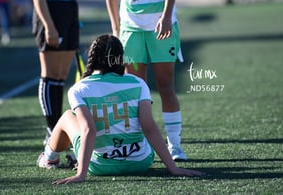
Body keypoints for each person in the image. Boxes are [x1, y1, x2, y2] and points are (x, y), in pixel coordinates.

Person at [36, 34, 203, 184]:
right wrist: (173, 168)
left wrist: (81, 174)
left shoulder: (79, 89)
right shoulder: (138, 83)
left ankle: (50, 158)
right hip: (140, 162)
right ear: (120, 57)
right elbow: (149, 127)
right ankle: (53, 157)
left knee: (66, 116)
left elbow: (89, 130)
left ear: (92, 57)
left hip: (100, 166)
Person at [98, 0, 188, 161]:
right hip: (131, 30)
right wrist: (116, 29)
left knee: (166, 86)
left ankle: (175, 146)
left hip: (161, 26)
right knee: (137, 91)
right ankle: (141, 146)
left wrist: (166, 17)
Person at [26, 0, 79, 145]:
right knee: (50, 75)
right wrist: (49, 25)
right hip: (50, 13)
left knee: (61, 76)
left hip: (69, 13)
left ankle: (57, 129)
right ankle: (52, 130)